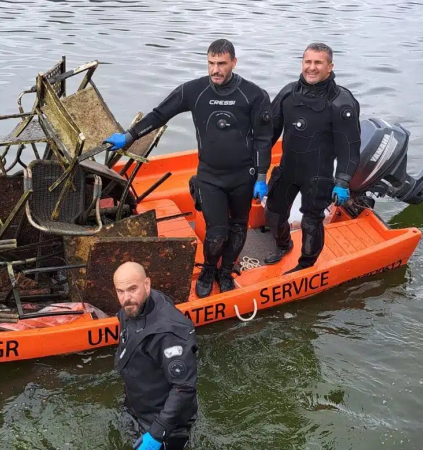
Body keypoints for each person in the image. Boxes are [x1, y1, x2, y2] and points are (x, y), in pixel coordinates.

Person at [104, 39, 273, 298]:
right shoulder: (194, 91)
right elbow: (160, 114)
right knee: (217, 234)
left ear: (234, 63)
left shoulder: (253, 94)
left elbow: (263, 138)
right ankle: (208, 270)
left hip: (243, 175)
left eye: (222, 64)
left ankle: (226, 272)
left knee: (238, 230)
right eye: (211, 64)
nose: (215, 70)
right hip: (210, 176)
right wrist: (130, 136)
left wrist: (261, 176)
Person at [264, 42, 361, 273]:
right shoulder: (288, 93)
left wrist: (343, 182)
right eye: (308, 62)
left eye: (318, 62)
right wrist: (255, 168)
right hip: (288, 169)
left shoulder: (341, 102)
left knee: (311, 222)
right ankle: (283, 244)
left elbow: (350, 148)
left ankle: (306, 265)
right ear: (302, 63)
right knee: (273, 213)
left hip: (318, 174)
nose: (312, 67)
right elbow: (267, 134)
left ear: (330, 66)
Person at [113, 262, 198, 450]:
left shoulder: (169, 333)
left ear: (147, 285)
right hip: (138, 402)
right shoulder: (131, 308)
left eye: (132, 289)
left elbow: (184, 388)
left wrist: (157, 433)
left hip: (164, 421)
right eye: (120, 291)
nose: (126, 298)